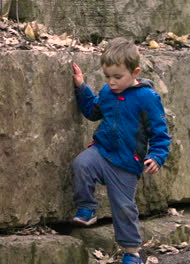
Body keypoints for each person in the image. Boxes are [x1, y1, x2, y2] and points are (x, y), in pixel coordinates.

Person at [71, 37, 171, 264]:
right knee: (81, 164)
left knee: (124, 208)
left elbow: (159, 132)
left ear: (135, 72)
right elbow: (92, 111)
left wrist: (157, 155)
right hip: (102, 151)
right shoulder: (107, 93)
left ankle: (132, 252)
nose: (112, 82)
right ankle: (87, 208)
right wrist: (81, 87)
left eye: (118, 77)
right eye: (107, 77)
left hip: (127, 162)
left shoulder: (147, 98)